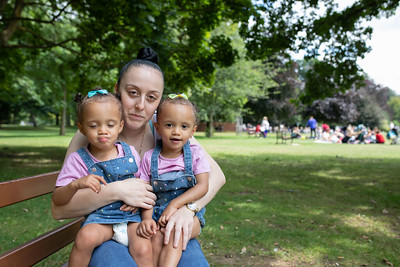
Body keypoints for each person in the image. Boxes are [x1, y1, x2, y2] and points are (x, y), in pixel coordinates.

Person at [51, 47, 225, 266]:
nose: (141, 106)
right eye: (132, 93)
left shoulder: (166, 130)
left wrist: (188, 209)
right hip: (108, 231)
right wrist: (116, 191)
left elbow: (217, 177)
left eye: (152, 98)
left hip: (157, 229)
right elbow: (59, 208)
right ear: (117, 90)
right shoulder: (93, 133)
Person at [52, 90, 152, 266]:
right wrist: (75, 184)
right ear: (81, 128)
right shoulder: (78, 159)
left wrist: (139, 204)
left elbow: (143, 184)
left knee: (143, 247)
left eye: (110, 125)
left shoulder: (130, 153)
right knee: (85, 237)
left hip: (130, 217)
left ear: (120, 126)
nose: (103, 131)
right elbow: (58, 199)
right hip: (100, 219)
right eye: (93, 126)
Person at [138, 94, 209, 266]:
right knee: (155, 239)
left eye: (184, 126)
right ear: (158, 127)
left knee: (174, 235)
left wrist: (175, 205)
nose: (176, 131)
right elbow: (145, 193)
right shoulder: (149, 158)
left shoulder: (195, 155)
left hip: (189, 217)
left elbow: (203, 186)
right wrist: (147, 218)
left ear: (193, 131)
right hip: (157, 216)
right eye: (169, 125)